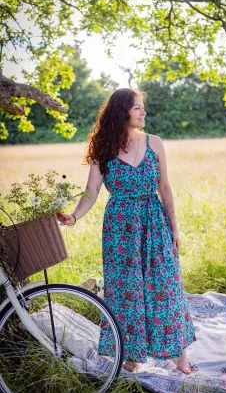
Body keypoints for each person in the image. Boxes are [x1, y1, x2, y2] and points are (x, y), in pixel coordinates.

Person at [57, 88, 197, 374]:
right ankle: (130, 353)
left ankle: (179, 354)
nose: (143, 112)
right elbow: (91, 191)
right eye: (137, 108)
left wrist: (174, 227)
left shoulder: (155, 143)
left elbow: (165, 188)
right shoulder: (103, 149)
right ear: (122, 112)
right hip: (120, 229)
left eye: (143, 107)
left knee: (166, 284)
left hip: (153, 221)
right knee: (125, 292)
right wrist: (74, 216)